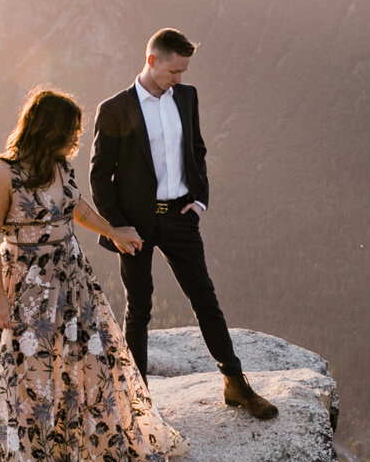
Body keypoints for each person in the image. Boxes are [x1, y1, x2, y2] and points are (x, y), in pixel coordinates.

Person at [0, 87, 186, 462]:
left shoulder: (60, 167)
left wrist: (114, 231)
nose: (77, 139)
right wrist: (0, 300)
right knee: (31, 383)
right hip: (25, 287)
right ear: (49, 130)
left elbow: (75, 208)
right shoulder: (2, 175)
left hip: (72, 283)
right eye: (72, 131)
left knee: (86, 369)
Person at [88, 28, 278, 420]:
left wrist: (200, 199)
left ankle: (235, 383)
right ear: (152, 60)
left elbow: (197, 149)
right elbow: (98, 176)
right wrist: (117, 228)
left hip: (180, 217)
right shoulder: (115, 109)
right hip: (135, 227)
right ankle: (137, 401)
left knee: (205, 299)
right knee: (139, 309)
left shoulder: (187, 98)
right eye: (175, 70)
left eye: (184, 71)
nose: (180, 78)